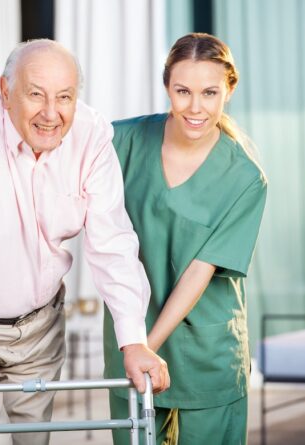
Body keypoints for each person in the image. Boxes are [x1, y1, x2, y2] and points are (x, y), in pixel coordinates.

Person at [0, 39, 170, 445]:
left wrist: (134, 341)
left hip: (42, 326)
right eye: (35, 95)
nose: (51, 113)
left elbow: (112, 244)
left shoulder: (91, 135)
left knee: (34, 440)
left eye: (64, 97)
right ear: (6, 93)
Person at [104, 33, 268, 444]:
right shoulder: (120, 142)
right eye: (183, 91)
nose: (196, 107)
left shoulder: (246, 178)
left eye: (210, 92)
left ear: (229, 90)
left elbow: (199, 271)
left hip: (205, 355)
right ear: (166, 88)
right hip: (131, 344)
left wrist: (144, 347)